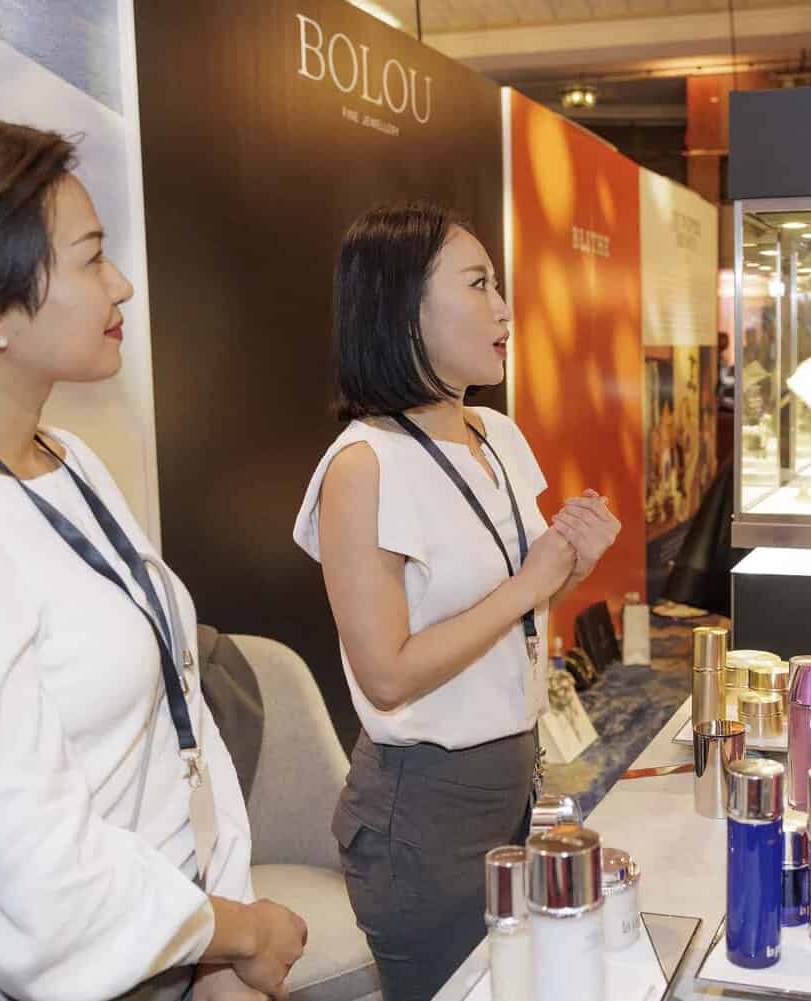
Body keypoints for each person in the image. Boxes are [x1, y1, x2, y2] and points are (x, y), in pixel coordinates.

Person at [0, 111, 306, 1001]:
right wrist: (241, 931)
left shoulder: (65, 458)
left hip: (173, 946)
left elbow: (176, 730)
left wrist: (215, 934)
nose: (120, 283)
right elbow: (45, 878)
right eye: (89, 259)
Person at [293, 202, 620, 1001]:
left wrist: (572, 558)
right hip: (422, 817)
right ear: (405, 311)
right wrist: (535, 579)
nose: (504, 308)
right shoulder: (363, 465)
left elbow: (517, 611)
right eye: (478, 284)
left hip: (513, 782)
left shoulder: (497, 435)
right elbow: (388, 675)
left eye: (498, 284)